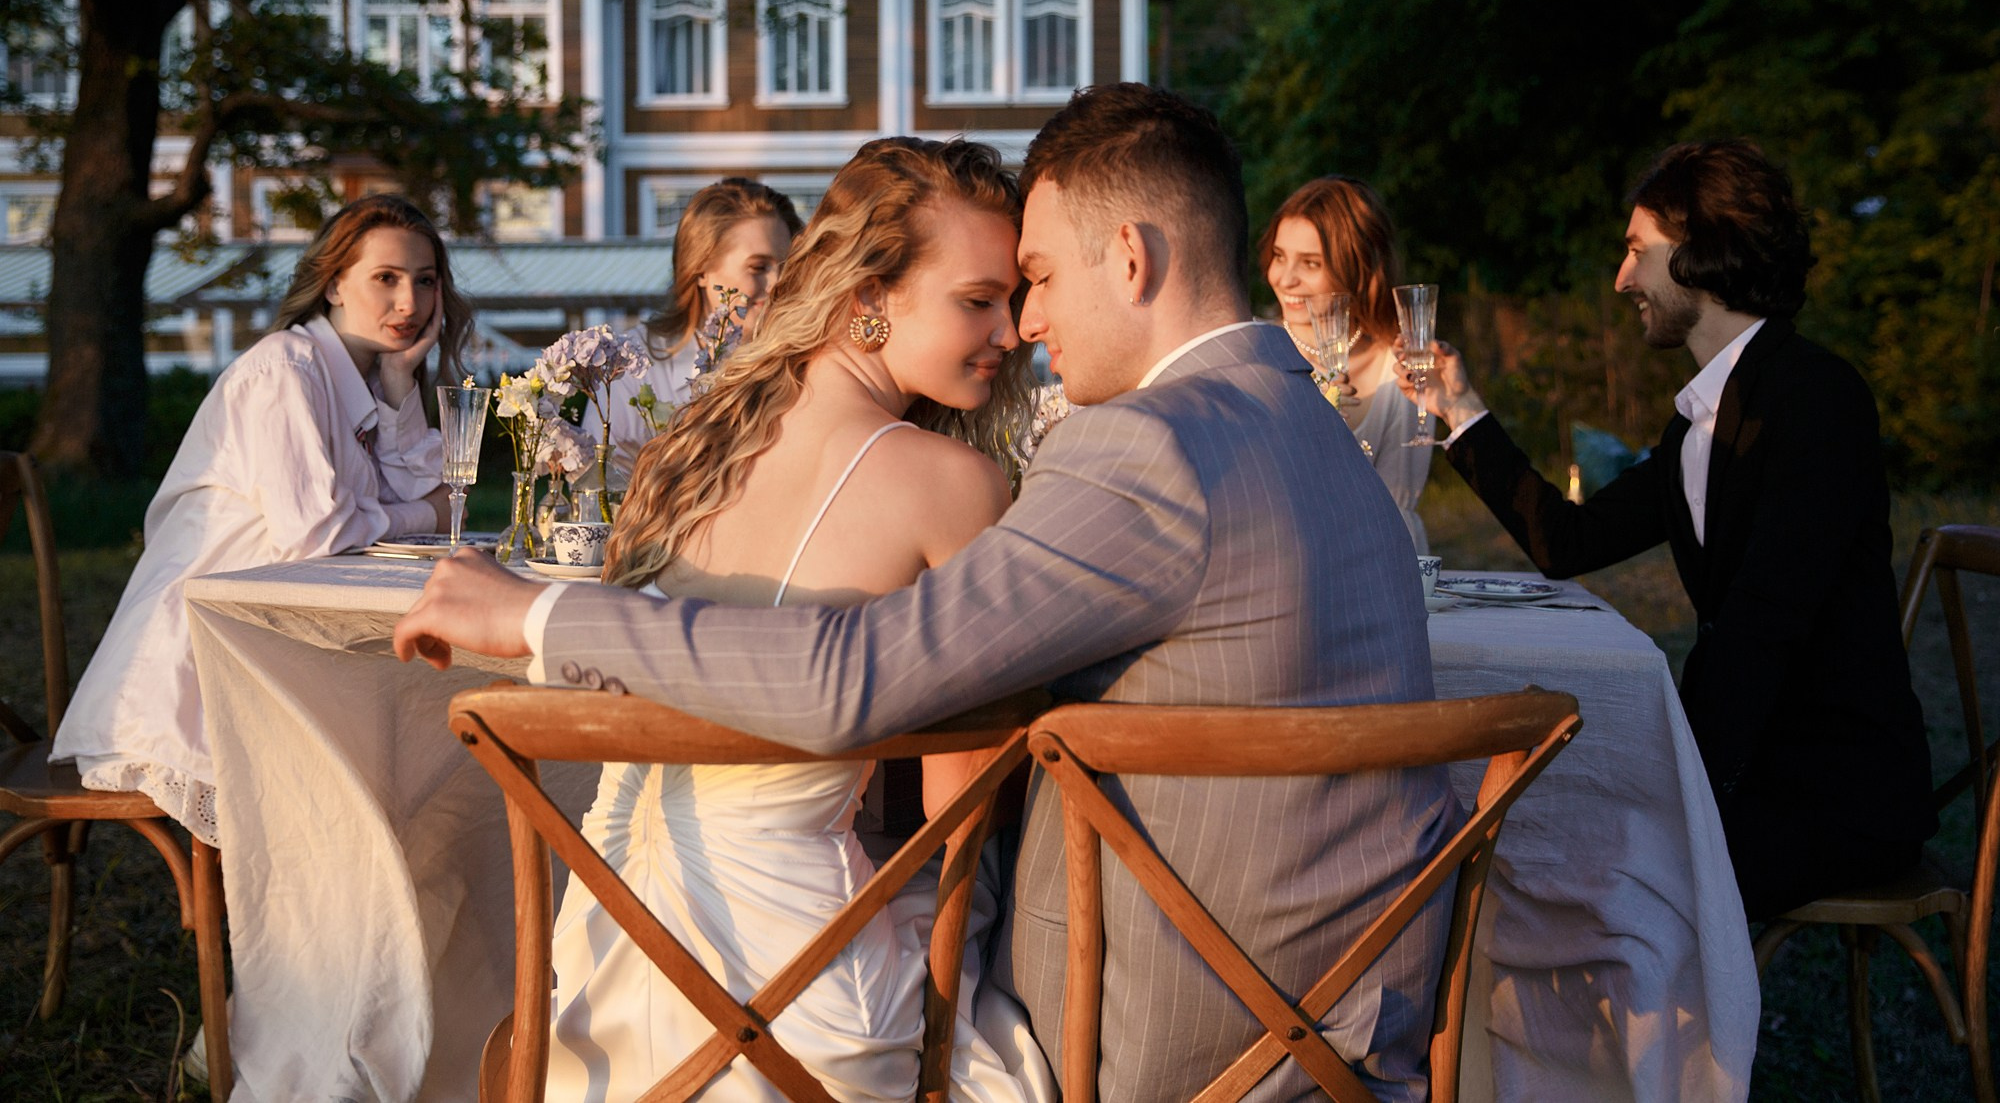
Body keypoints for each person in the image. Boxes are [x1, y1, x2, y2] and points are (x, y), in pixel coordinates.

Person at [397, 84, 1456, 1102]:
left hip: (1170, 1032)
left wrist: (537, 611)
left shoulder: (1142, 447)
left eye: (1033, 278)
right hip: (1348, 1013)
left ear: (1128, 259)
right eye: (992, 294)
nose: (1028, 322)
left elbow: (856, 681)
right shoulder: (1319, 429)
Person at [544, 137, 1049, 1102]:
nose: (1013, 331)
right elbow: (958, 821)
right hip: (793, 1000)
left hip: (608, 961)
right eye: (978, 300)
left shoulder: (683, 450)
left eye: (1013, 301)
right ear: (867, 295)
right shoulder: (952, 483)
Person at [1397, 139, 1936, 921]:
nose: (1622, 279)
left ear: (1701, 255)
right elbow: (1568, 543)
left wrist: (1671, 777)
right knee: (1538, 835)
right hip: (1756, 769)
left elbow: (1765, 624)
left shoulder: (1817, 396)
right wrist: (1461, 408)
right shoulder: (1696, 427)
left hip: (1835, 794)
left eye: (1637, 251)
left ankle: (1652, 1043)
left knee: (1584, 866)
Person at [53, 193, 467, 845]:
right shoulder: (285, 369)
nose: (410, 303)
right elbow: (320, 534)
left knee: (434, 743)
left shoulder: (357, 380)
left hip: (277, 640)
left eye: (425, 280)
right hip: (196, 676)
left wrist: (398, 387)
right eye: (385, 278)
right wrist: (422, 509)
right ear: (334, 282)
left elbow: (420, 507)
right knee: (419, 749)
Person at [1261, 175, 1432, 551]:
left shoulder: (1399, 364)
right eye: (1279, 256)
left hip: (1380, 561)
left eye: (1310, 263)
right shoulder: (1252, 351)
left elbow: (1396, 507)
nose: (1285, 279)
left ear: (1357, 266)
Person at [603, 179, 802, 480]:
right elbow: (599, 490)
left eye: (787, 267)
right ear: (701, 270)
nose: (777, 283)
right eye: (758, 267)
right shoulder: (633, 365)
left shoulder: (802, 363)